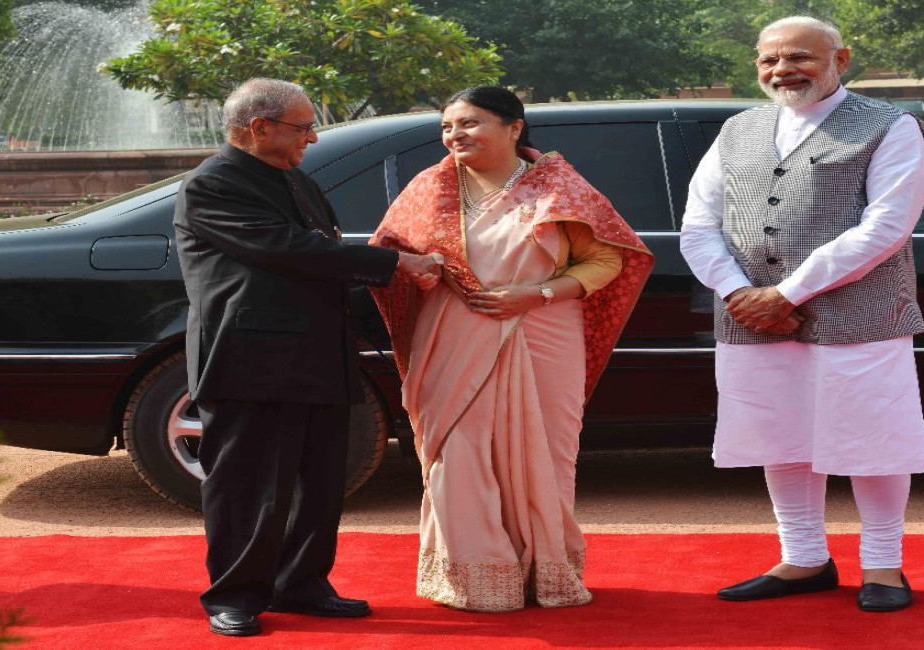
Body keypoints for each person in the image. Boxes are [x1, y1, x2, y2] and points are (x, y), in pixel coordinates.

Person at [369, 86, 653, 612]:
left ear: (514, 127)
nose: (455, 135)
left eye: (470, 123)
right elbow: (393, 260)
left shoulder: (558, 188)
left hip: (543, 329)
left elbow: (607, 261)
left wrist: (536, 294)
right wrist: (420, 273)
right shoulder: (429, 188)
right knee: (457, 452)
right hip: (451, 335)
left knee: (546, 454)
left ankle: (545, 573)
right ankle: (475, 579)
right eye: (447, 126)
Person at [679, 16, 924, 613]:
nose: (782, 70)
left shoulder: (890, 126)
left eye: (798, 57)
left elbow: (886, 227)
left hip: (861, 316)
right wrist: (741, 294)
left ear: (841, 59)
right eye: (769, 60)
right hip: (750, 317)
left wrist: (786, 295)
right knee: (780, 434)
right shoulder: (738, 129)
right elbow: (698, 226)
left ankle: (883, 565)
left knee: (872, 438)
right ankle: (804, 558)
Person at [174, 78, 440, 637]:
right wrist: (393, 264)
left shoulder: (295, 179)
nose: (313, 138)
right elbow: (287, 248)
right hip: (252, 361)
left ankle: (302, 583)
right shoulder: (212, 184)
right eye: (303, 127)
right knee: (249, 486)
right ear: (259, 127)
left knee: (319, 483)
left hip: (318, 354)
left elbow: (324, 249)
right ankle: (235, 596)